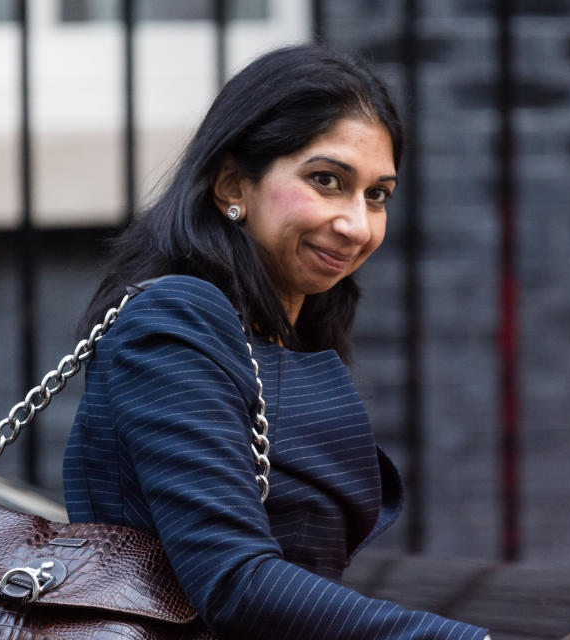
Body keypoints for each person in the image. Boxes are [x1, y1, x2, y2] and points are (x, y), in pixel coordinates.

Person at [62, 43, 489, 639]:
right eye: (327, 181)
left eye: (377, 194)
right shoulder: (174, 321)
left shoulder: (282, 331)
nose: (357, 225)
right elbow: (234, 580)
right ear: (233, 182)